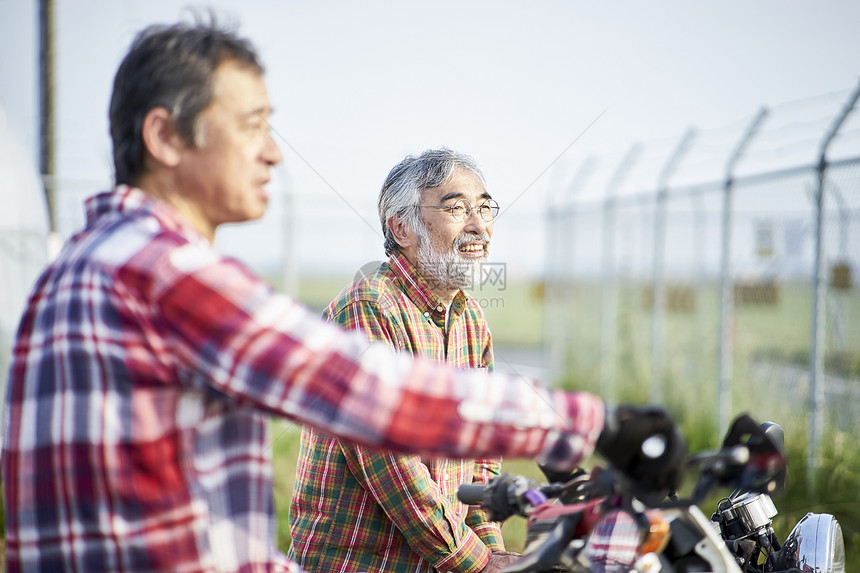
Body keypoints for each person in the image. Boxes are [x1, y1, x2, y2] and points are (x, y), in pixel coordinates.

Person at [1, 17, 684, 573]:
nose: (272, 152)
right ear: (165, 136)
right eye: (251, 125)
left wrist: (504, 529)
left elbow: (176, 530)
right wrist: (594, 424)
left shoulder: (77, 268)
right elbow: (378, 400)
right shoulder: (164, 273)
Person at [289, 149, 519, 573]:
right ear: (401, 227)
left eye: (485, 208)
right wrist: (476, 563)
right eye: (456, 208)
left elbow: (482, 455)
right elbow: (389, 460)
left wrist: (491, 551)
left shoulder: (470, 320)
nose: (479, 225)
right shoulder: (367, 308)